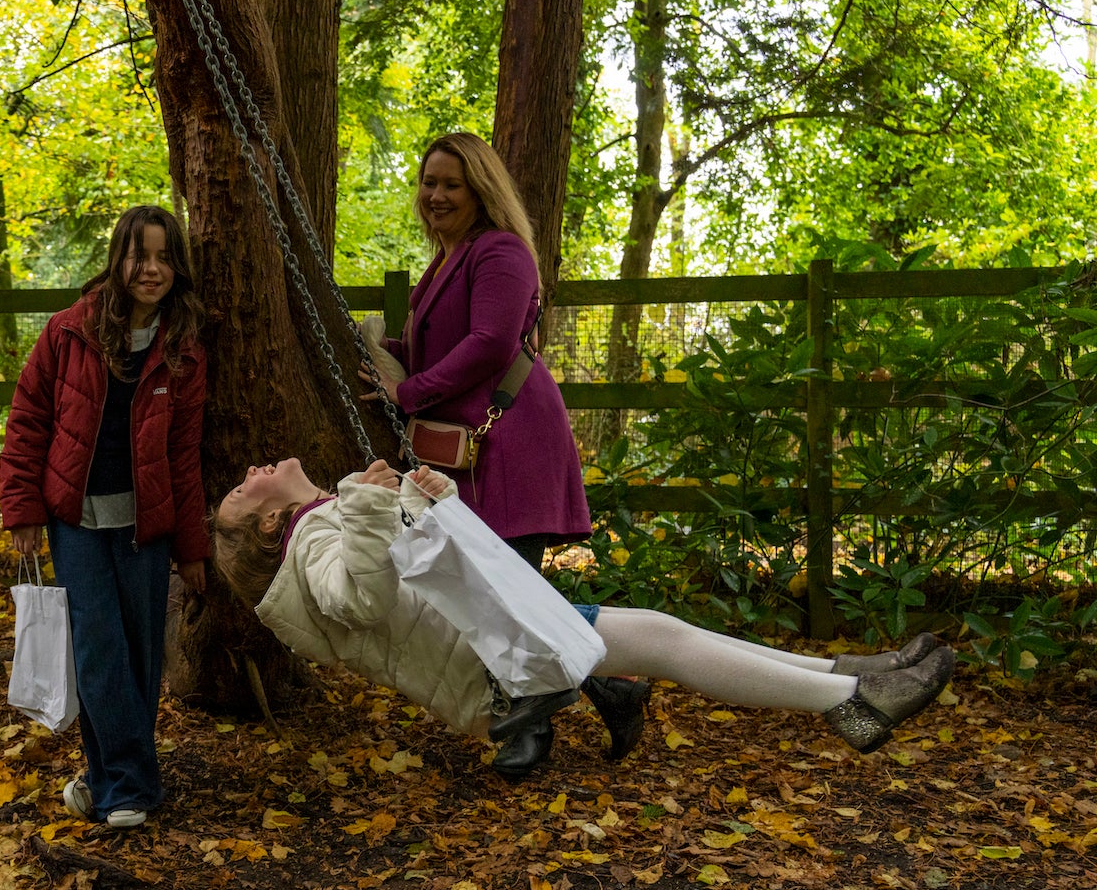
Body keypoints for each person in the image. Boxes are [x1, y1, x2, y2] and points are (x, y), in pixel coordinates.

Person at [210, 457, 954, 771]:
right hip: (497, 657)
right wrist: (375, 503)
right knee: (662, 638)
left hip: (499, 634)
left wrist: (425, 502)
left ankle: (850, 679)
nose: (250, 473)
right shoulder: (312, 540)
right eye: (244, 492)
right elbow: (361, 597)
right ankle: (850, 701)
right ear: (271, 525)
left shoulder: (325, 519)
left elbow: (405, 574)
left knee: (664, 634)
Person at [358, 132, 620, 771]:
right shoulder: (445, 260)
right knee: (489, 590)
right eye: (430, 183)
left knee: (510, 590)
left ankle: (528, 731)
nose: (437, 195)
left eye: (452, 184)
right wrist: (385, 344)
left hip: (512, 441)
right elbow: (449, 339)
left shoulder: (501, 251)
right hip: (472, 451)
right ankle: (614, 692)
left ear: (480, 189)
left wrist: (408, 389)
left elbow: (490, 344)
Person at [0, 206, 210, 829]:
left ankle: (105, 781)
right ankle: (128, 790)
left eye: (164, 257)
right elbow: (28, 421)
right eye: (139, 255)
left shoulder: (184, 350)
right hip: (75, 523)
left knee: (142, 653)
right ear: (118, 260)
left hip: (147, 527)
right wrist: (23, 511)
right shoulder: (68, 332)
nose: (151, 269)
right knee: (98, 648)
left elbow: (184, 455)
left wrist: (193, 548)